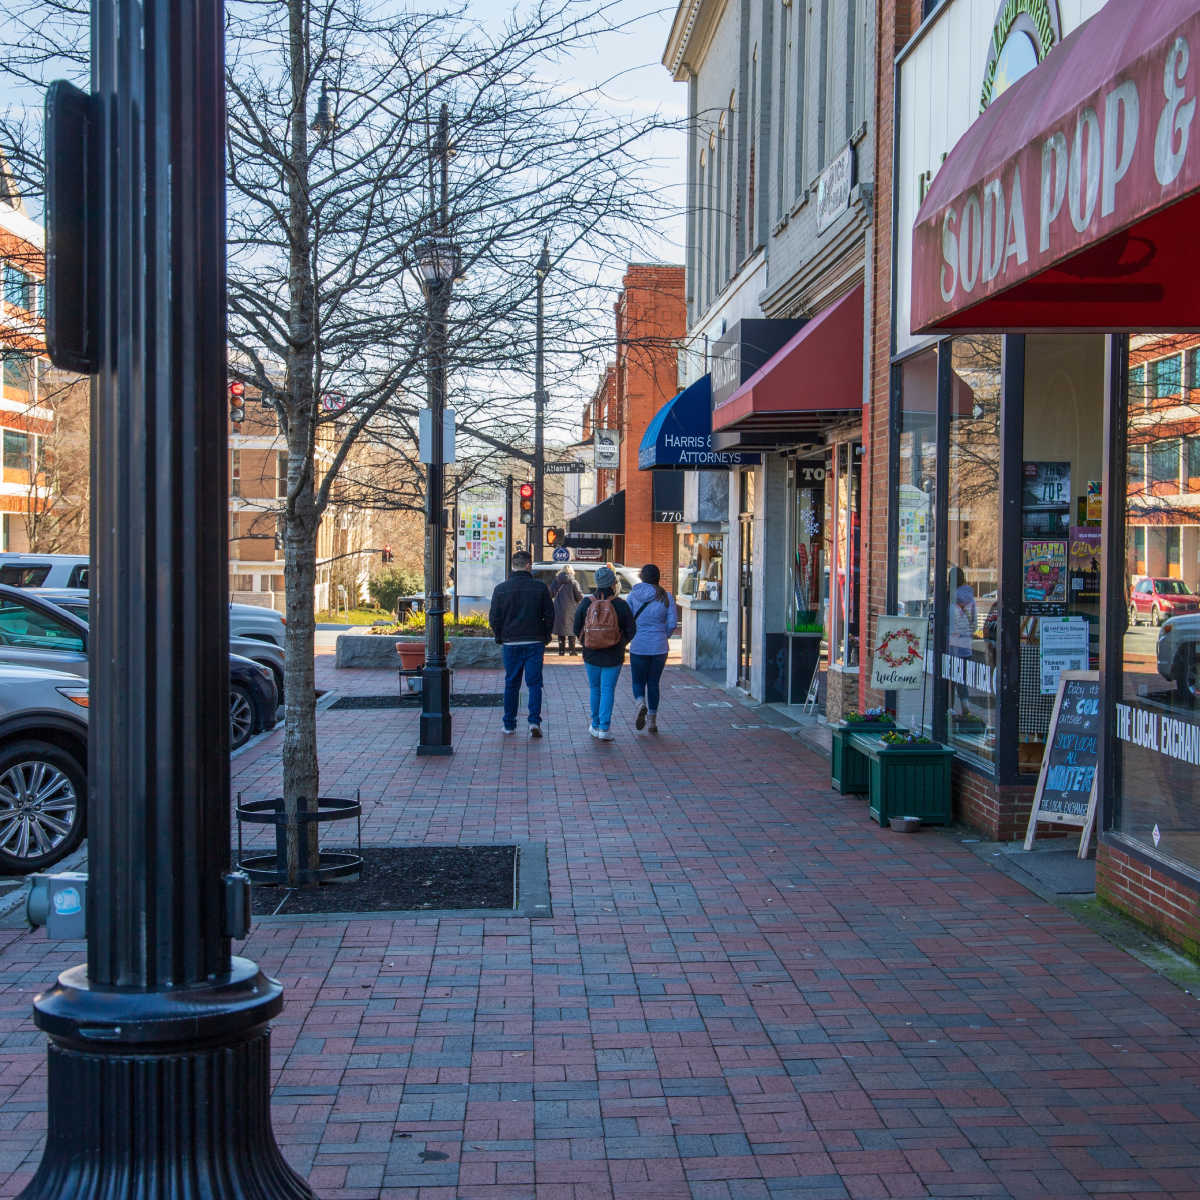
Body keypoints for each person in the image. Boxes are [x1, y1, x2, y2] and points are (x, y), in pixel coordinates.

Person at [488, 549, 554, 737]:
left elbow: (494, 618)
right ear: (528, 565)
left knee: (511, 683)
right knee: (534, 683)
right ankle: (534, 721)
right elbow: (549, 615)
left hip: (510, 642)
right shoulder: (540, 588)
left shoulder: (501, 589)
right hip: (534, 641)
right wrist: (546, 635)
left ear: (512, 566)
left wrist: (500, 636)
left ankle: (509, 724)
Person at [573, 564, 636, 741]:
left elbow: (576, 627)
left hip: (591, 653)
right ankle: (604, 728)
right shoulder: (620, 604)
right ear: (613, 583)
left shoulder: (586, 602)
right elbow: (631, 629)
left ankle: (594, 724)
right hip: (613, 654)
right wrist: (620, 643)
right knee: (608, 690)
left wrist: (587, 643)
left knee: (595, 689)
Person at [625, 563, 678, 734]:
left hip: (639, 644)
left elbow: (628, 621)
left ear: (642, 577)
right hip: (659, 646)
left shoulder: (633, 596)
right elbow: (671, 624)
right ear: (658, 577)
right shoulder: (666, 596)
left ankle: (640, 703)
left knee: (638, 681)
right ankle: (652, 722)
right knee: (654, 683)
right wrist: (664, 635)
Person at [948, 565, 976, 719]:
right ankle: (966, 707)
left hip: (951, 643)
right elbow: (975, 623)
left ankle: (949, 707)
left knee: (949, 677)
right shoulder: (970, 597)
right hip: (965, 643)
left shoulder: (948, 596)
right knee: (962, 678)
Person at [549, 565, 582, 655]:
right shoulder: (574, 582)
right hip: (572, 609)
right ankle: (572, 651)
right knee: (571, 631)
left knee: (561, 631)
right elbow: (579, 596)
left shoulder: (556, 582)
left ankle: (561, 651)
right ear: (571, 572)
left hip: (558, 609)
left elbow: (550, 594)